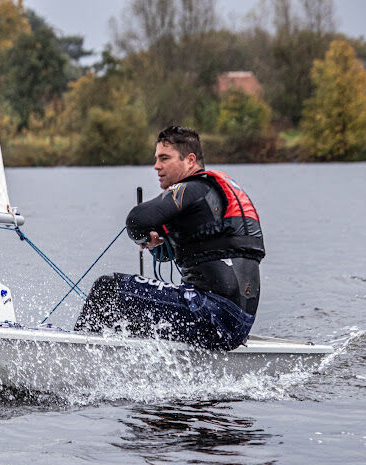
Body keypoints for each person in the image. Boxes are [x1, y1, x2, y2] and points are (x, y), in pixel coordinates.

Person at [75, 126, 265, 351]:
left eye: (164, 158)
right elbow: (200, 249)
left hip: (212, 313)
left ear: (190, 160)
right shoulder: (210, 199)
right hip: (236, 323)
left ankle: (79, 356)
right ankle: (119, 361)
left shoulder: (193, 189)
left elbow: (136, 220)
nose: (156, 166)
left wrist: (144, 237)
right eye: (156, 159)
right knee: (129, 312)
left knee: (108, 290)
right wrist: (159, 243)